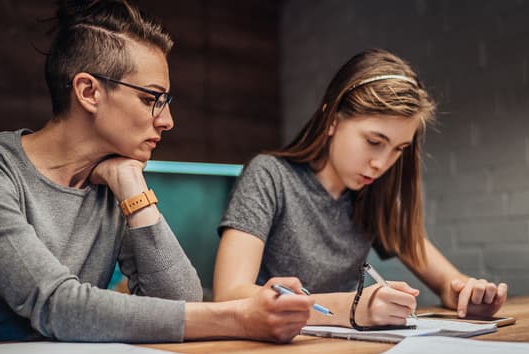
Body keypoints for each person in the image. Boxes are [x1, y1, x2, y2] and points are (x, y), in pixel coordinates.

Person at [0, 0, 312, 346]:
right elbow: (56, 305)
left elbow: (179, 302)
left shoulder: (112, 181)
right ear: (88, 92)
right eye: (152, 99)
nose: (168, 121)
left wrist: (132, 187)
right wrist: (239, 317)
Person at [213, 49, 508, 328]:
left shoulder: (375, 194)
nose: (382, 164)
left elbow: (447, 282)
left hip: (343, 351)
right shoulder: (269, 176)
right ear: (332, 120)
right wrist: (354, 307)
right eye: (374, 142)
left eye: (398, 149)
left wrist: (467, 295)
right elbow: (229, 294)